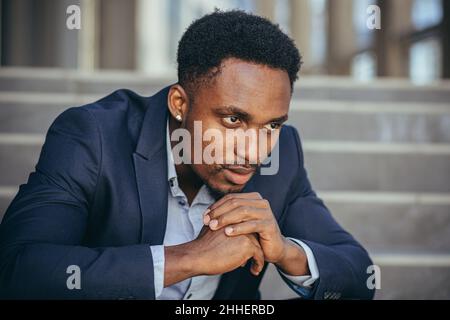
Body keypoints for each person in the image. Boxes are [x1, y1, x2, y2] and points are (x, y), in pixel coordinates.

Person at [0, 10, 374, 300]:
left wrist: (286, 251)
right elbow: (17, 270)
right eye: (233, 119)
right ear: (180, 103)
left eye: (271, 125)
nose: (255, 151)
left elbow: (360, 275)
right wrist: (189, 258)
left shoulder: (285, 155)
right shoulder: (93, 136)